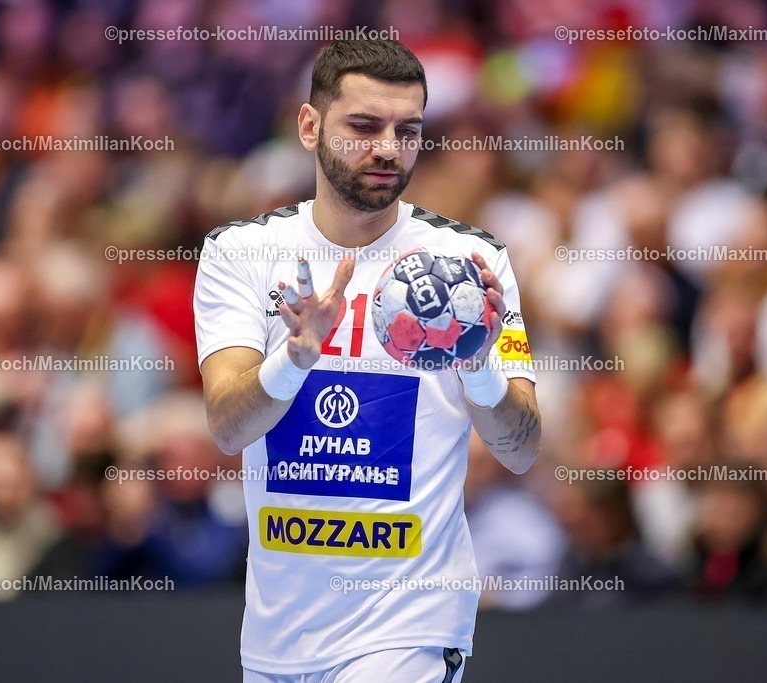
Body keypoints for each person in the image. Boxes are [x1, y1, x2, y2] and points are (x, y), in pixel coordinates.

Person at [193, 40, 541, 682]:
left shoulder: (472, 264)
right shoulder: (240, 252)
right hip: (277, 634)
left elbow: (521, 446)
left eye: (407, 131)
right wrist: (295, 359)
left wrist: (478, 361)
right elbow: (227, 426)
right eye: (363, 126)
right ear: (308, 126)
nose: (388, 148)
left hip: (410, 624)